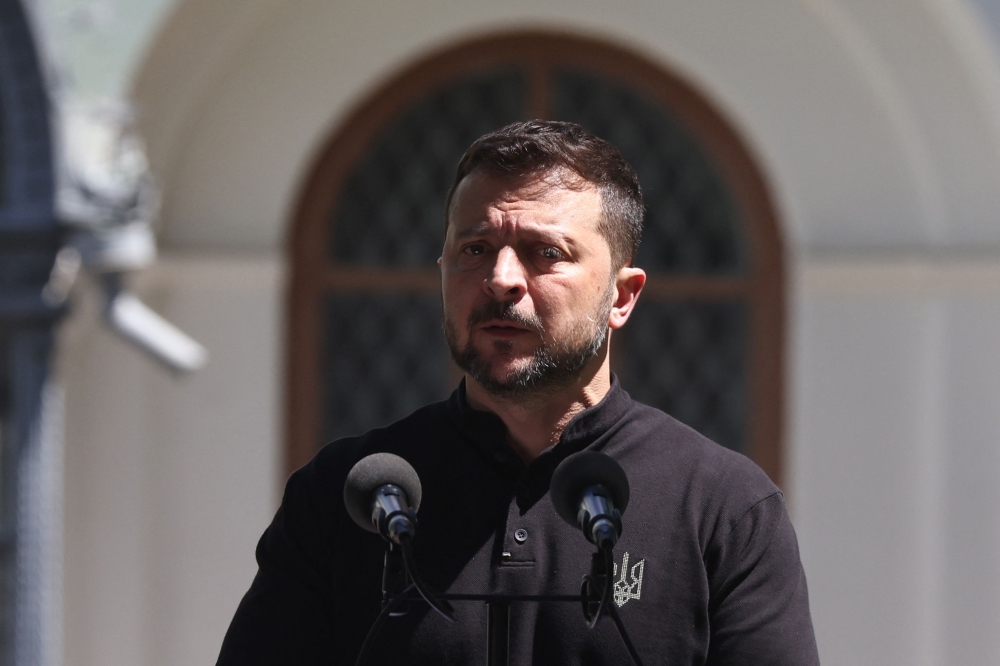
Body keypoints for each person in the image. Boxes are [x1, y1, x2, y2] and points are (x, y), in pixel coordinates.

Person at [217, 120, 820, 665]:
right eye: (475, 250)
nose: (502, 279)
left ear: (623, 295)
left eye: (545, 253)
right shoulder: (348, 496)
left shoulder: (721, 507)